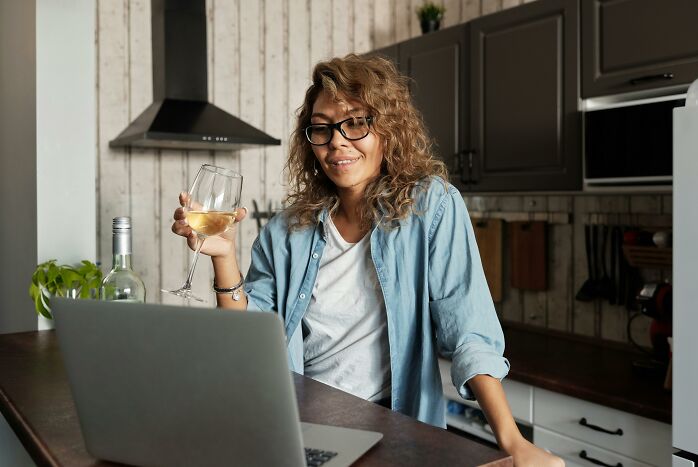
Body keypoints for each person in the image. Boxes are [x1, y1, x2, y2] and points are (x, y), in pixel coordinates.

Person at [172, 54, 563, 466]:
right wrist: (224, 255)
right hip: (299, 421)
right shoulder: (287, 229)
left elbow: (469, 332)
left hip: (391, 425)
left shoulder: (431, 206)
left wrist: (512, 440)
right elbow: (247, 339)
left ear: (388, 131)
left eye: (355, 123)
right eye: (322, 129)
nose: (337, 141)